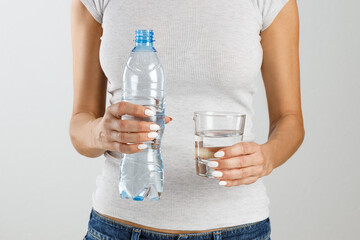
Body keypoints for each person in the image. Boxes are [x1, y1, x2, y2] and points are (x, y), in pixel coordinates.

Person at [70, 0, 304, 239]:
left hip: (237, 227)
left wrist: (266, 157)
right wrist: (101, 132)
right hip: (120, 224)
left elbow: (290, 119)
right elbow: (80, 123)